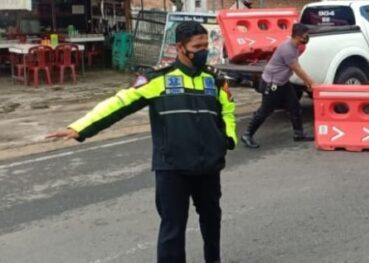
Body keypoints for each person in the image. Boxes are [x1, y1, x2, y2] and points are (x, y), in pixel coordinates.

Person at [46, 21, 237, 263]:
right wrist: (79, 127)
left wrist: (227, 139)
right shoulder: (158, 79)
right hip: (172, 169)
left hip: (209, 167)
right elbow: (120, 102)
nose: (204, 51)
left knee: (212, 223)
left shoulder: (214, 80)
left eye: (205, 46)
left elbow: (228, 110)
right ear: (180, 47)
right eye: (197, 47)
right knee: (172, 231)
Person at [241, 23, 316, 148]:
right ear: (298, 36)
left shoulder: (295, 46)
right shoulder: (287, 49)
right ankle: (247, 134)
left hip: (282, 82)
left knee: (295, 106)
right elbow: (298, 69)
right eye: (305, 35)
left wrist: (308, 83)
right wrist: (311, 83)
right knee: (265, 110)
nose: (307, 38)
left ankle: (299, 134)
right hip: (272, 83)